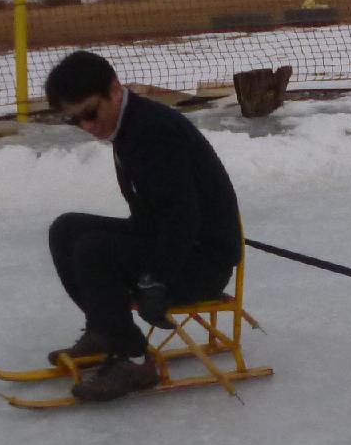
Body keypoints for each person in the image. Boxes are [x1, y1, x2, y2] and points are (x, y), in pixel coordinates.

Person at [42, 50, 244, 403]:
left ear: (114, 90)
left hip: (200, 263)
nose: (87, 127)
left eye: (90, 113)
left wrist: (156, 279)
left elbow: (184, 217)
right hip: (175, 242)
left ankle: (135, 360)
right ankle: (106, 329)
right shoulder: (130, 124)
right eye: (75, 121)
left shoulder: (153, 133)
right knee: (66, 230)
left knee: (93, 250)